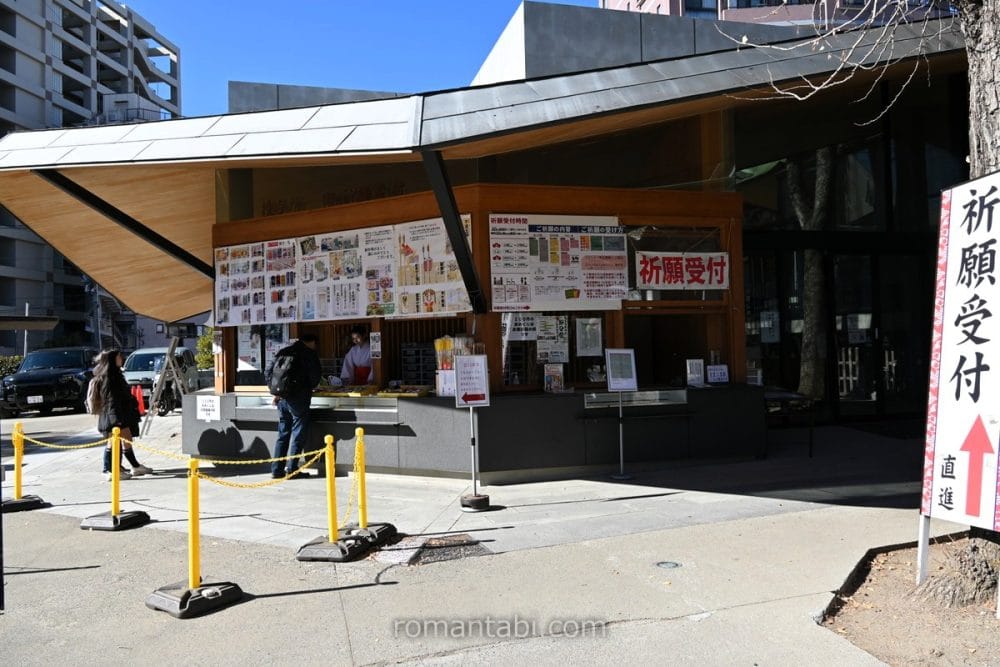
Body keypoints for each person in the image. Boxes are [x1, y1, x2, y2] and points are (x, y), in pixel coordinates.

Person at [265, 333, 322, 479]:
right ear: (313, 342)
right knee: (298, 434)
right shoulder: (309, 354)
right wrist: (305, 388)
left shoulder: (284, 351)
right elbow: (315, 379)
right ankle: (292, 469)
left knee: (283, 434)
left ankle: (276, 470)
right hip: (298, 400)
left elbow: (268, 372)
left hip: (281, 399)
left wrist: (277, 391)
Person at [91, 348, 152, 481]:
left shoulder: (115, 374)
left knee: (126, 439)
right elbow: (111, 400)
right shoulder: (109, 377)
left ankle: (134, 466)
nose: (121, 358)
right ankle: (109, 470)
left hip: (120, 414)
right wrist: (115, 419)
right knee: (113, 442)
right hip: (113, 415)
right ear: (112, 359)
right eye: (119, 356)